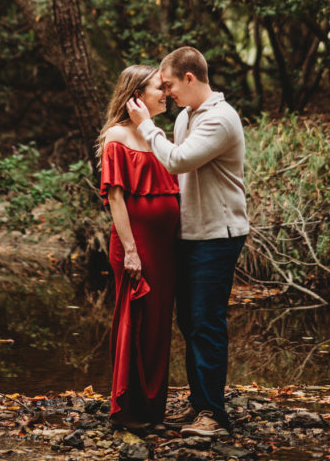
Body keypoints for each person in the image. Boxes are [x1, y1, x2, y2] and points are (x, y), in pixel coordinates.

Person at [127, 46, 248, 440]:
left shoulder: (221, 119)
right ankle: (201, 405)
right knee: (189, 321)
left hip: (218, 234)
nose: (167, 93)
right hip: (190, 233)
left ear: (190, 78)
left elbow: (177, 160)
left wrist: (147, 126)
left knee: (206, 322)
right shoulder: (185, 117)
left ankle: (214, 414)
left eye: (171, 85)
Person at [98, 64, 180, 429]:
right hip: (135, 245)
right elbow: (116, 198)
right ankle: (127, 411)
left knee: (159, 325)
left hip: (164, 248)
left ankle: (152, 411)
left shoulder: (156, 134)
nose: (165, 93)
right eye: (158, 88)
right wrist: (130, 250)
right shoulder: (116, 136)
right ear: (136, 95)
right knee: (136, 320)